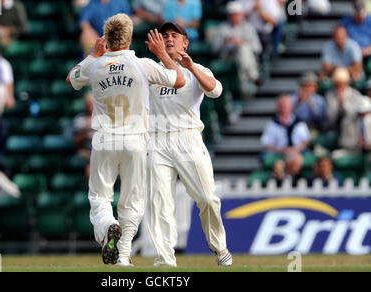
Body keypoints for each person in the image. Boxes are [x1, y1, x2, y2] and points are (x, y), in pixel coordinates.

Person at [66, 13, 185, 266]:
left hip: (104, 141)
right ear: (130, 38)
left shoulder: (95, 65)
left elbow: (71, 79)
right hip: (135, 141)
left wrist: (93, 54)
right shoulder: (143, 64)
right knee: (132, 200)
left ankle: (109, 225)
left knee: (99, 197)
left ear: (106, 39)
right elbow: (179, 80)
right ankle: (122, 256)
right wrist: (163, 53)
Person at [147, 22, 232, 267]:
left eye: (174, 36)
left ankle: (220, 247)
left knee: (207, 199)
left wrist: (192, 67)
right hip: (158, 139)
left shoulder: (198, 69)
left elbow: (216, 91)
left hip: (188, 137)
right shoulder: (152, 70)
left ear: (186, 42)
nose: (169, 39)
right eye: (165, 36)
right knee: (160, 202)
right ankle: (165, 258)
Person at [213, 1, 262, 97]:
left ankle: (243, 90)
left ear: (242, 15)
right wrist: (228, 43)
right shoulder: (223, 28)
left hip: (246, 58)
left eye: (237, 14)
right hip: (228, 57)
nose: (235, 17)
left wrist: (243, 43)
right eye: (232, 15)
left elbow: (257, 48)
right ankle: (253, 75)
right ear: (229, 15)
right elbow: (215, 49)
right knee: (242, 52)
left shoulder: (249, 27)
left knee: (243, 50)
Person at [326, 68, 364, 152]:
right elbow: (330, 118)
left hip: (351, 128)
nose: (340, 86)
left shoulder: (355, 94)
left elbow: (353, 115)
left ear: (347, 83)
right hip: (334, 128)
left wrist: (344, 103)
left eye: (342, 83)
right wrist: (338, 105)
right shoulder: (330, 95)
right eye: (338, 84)